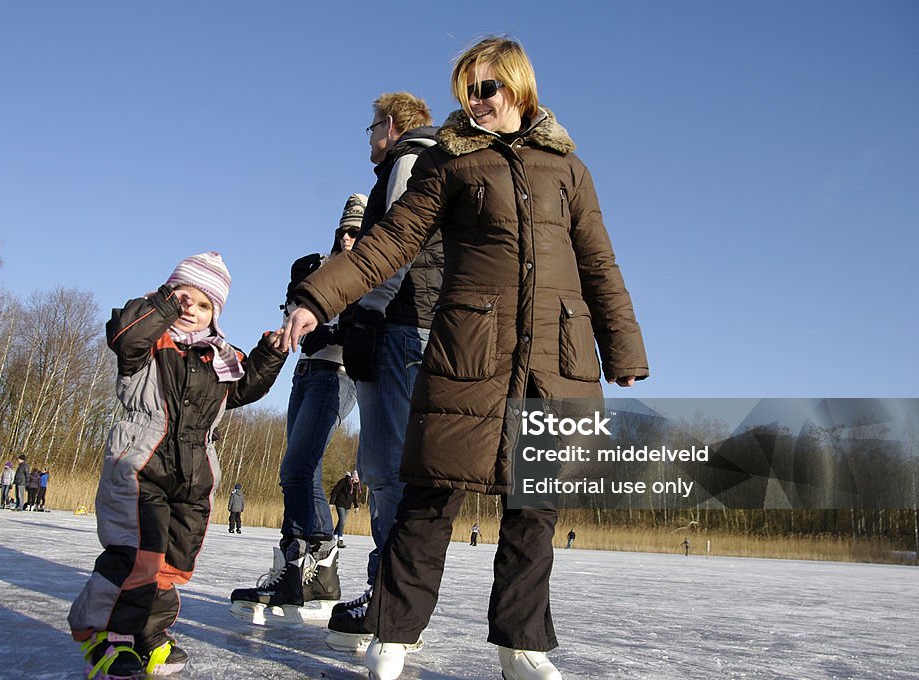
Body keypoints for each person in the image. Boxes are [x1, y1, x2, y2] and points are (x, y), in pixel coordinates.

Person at [284, 37, 649, 680]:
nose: (474, 102)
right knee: (430, 497)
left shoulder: (570, 170)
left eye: (487, 88)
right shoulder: (451, 163)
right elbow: (388, 243)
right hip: (468, 354)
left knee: (535, 508)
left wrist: (622, 346)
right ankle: (395, 634)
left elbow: (599, 264)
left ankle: (521, 644)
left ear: (518, 88)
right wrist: (318, 297)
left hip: (557, 358)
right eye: (466, 91)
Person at [68, 251, 287, 679]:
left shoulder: (218, 359)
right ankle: (107, 633)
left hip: (194, 476)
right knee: (136, 555)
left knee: (173, 563)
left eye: (204, 304)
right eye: (185, 297)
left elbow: (244, 389)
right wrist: (165, 305)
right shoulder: (147, 344)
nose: (192, 309)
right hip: (140, 466)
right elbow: (124, 335)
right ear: (168, 294)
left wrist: (271, 352)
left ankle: (149, 633)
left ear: (216, 314)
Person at [326, 92, 444, 651]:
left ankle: (389, 600)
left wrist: (367, 315)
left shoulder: (408, 161)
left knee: (387, 466)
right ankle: (391, 596)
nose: (368, 136)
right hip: (412, 324)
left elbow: (396, 244)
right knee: (389, 465)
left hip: (400, 324)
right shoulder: (429, 160)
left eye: (371, 125)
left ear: (391, 125)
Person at [229, 196, 362, 627]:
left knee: (297, 466)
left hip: (337, 374)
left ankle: (320, 560)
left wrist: (329, 319)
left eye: (358, 231)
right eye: (344, 228)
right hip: (305, 373)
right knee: (303, 467)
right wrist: (297, 300)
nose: (348, 236)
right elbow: (297, 314)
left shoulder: (369, 276)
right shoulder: (320, 268)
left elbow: (362, 327)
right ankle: (294, 568)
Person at [329, 472, 358, 549]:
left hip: (348, 505)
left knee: (341, 521)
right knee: (342, 521)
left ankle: (334, 536)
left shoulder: (355, 485)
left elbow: (354, 496)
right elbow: (335, 491)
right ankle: (340, 540)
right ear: (352, 478)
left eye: (358, 480)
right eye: (356, 479)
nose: (357, 481)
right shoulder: (343, 481)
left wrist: (356, 506)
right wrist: (331, 503)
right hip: (340, 503)